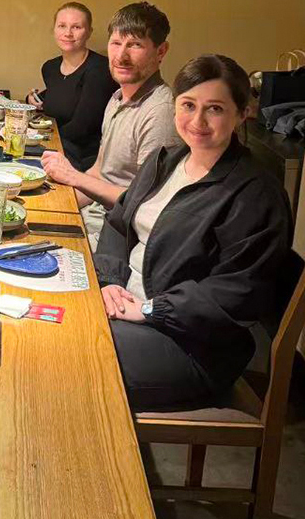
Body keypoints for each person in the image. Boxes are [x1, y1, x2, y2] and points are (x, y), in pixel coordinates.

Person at [93, 55, 292, 411]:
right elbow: (118, 224)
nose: (198, 121)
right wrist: (109, 281)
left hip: (192, 345)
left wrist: (152, 309)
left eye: (215, 108)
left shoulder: (254, 193)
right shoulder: (164, 161)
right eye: (188, 105)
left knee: (70, 359)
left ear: (242, 113)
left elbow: (241, 289)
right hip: (125, 309)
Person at [41, 1, 181, 251]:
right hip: (92, 217)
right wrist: (55, 206)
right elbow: (98, 172)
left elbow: (146, 205)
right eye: (116, 43)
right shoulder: (117, 98)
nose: (121, 56)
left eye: (135, 45)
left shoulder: (161, 111)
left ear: (161, 51)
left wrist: (72, 176)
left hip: (117, 237)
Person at [26, 1, 116, 170]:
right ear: (54, 29)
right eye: (62, 26)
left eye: (76, 27)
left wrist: (39, 138)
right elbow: (63, 94)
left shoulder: (100, 70)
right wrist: (32, 99)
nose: (68, 33)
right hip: (54, 149)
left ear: (89, 32)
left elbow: (82, 128)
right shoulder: (50, 67)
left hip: (84, 160)